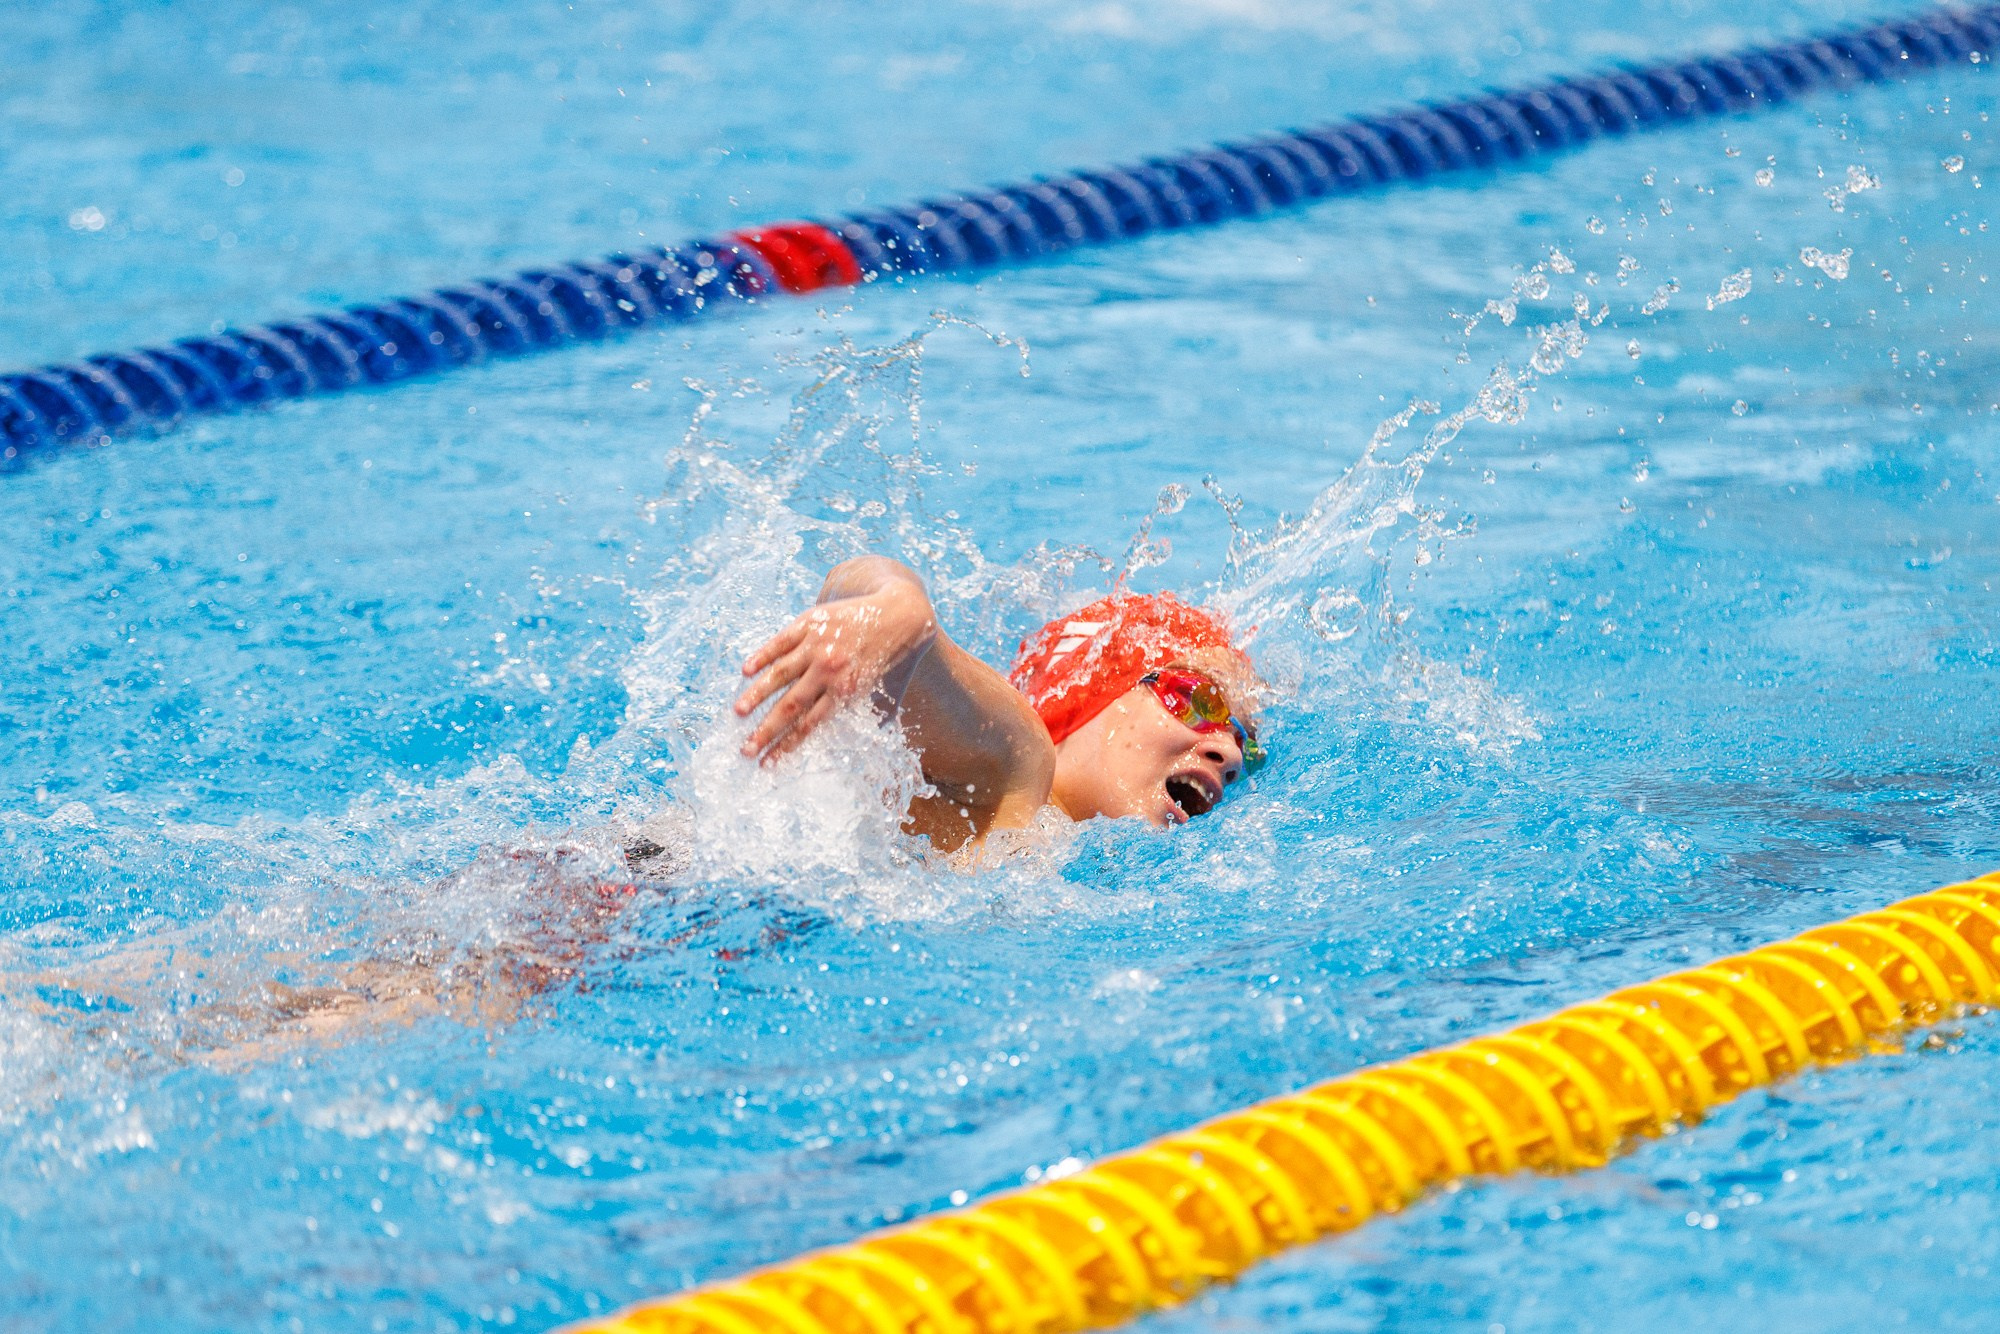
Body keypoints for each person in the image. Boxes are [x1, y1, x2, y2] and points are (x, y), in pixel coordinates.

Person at [733, 556, 1265, 852]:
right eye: (1196, 700)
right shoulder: (1019, 768)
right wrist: (898, 607)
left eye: (1244, 739)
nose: (1230, 753)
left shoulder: (1064, 857)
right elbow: (864, 591)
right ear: (1085, 696)